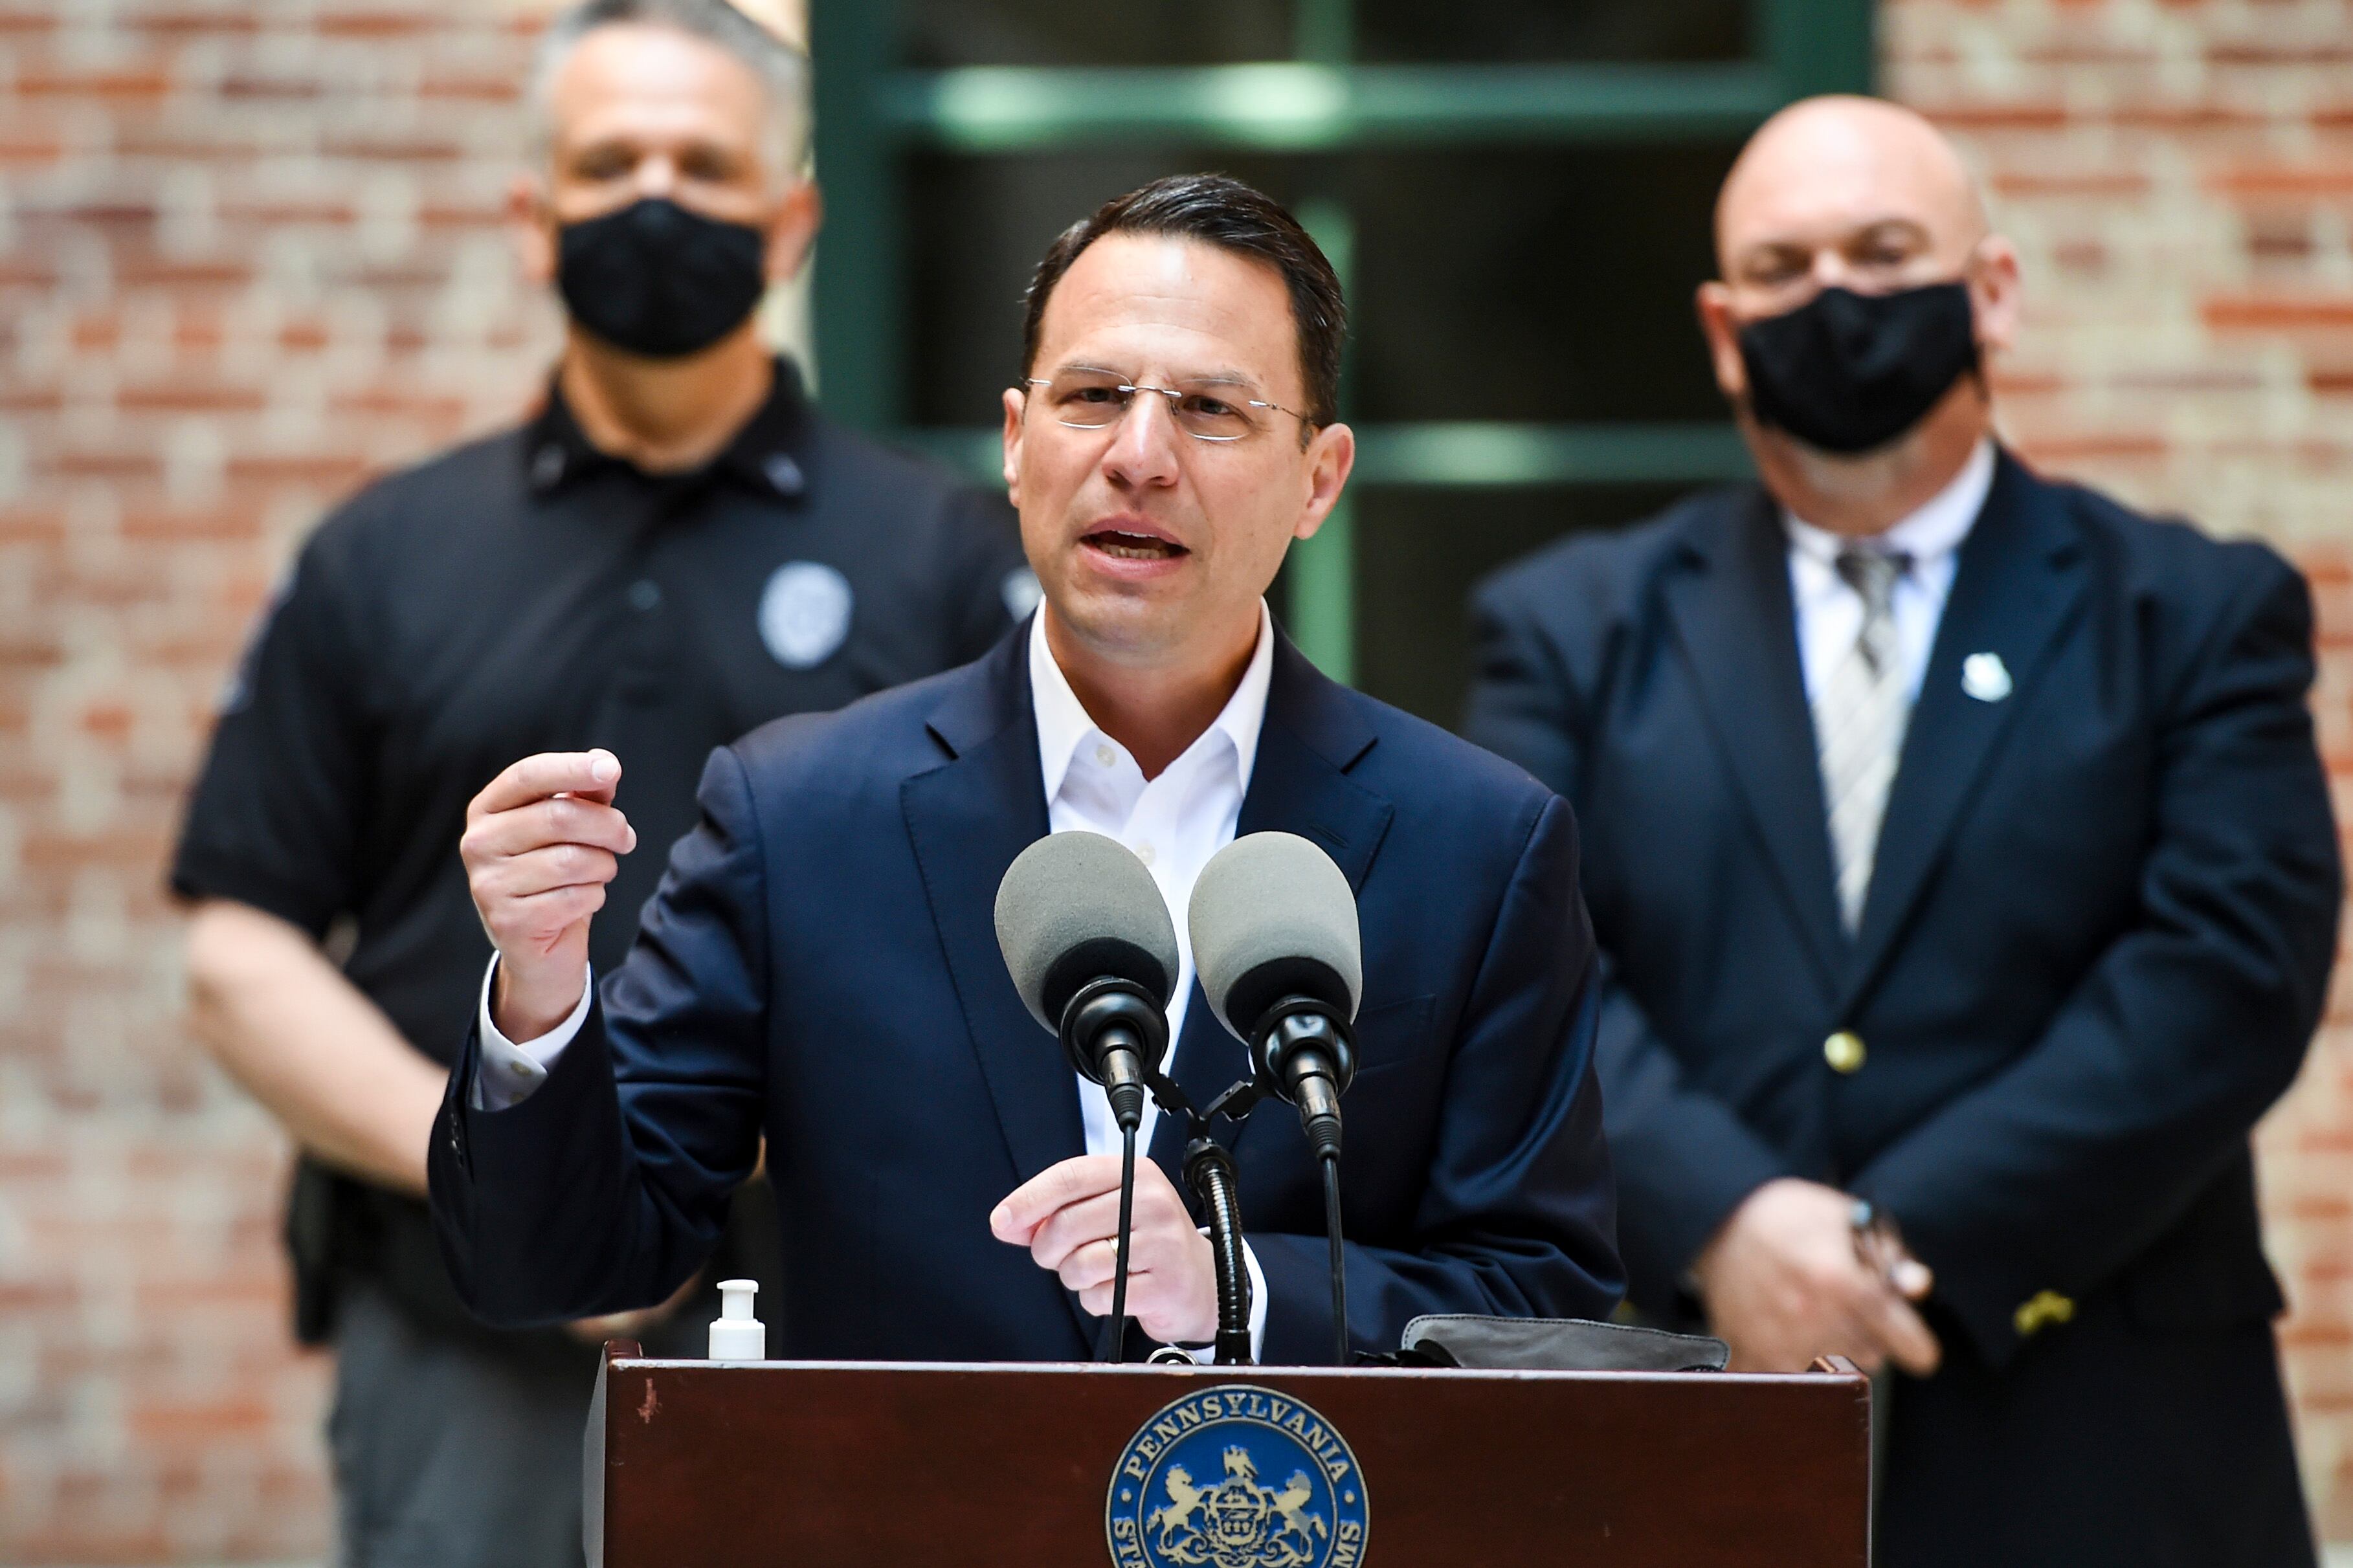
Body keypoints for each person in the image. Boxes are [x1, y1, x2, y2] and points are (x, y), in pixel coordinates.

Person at [427, 173, 1623, 1367]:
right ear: (1015, 443)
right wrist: (538, 994)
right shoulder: (800, 817)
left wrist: (1241, 1282)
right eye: (1093, 396)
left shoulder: (1476, 842)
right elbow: (565, 1265)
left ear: (1319, 478)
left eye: (1212, 408)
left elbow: (1541, 1304)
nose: (1139, 456)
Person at [170, 3, 1029, 1563]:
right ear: (530, 216)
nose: (655, 195)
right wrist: (529, 1167)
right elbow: (239, 955)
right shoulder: (386, 559)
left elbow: (1012, 933)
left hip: (847, 1331)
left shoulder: (944, 559)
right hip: (458, 1342)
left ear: (793, 221)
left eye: (704, 164)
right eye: (609, 160)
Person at [1466, 95, 2340, 1566]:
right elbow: (1523, 973)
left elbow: (2228, 974)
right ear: (1726, 326)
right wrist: (1730, 1220)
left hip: (2105, 1434)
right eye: (1786, 266)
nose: (1838, 301)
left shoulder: (2193, 612)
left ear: (1990, 290)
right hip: (1699, 1421)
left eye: (1883, 253)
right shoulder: (1568, 628)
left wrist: (1883, 1249)